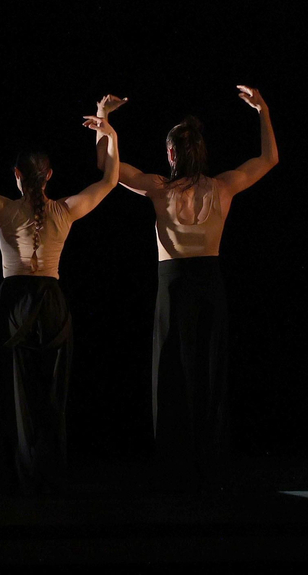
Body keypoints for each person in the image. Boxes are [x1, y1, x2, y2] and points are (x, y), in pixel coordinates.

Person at [95, 86, 278, 490]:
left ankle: (175, 462)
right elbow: (269, 159)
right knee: (208, 372)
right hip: (209, 284)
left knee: (172, 373)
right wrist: (262, 110)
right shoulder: (223, 187)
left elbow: (109, 170)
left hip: (174, 287)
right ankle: (209, 461)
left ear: (172, 154)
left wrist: (106, 127)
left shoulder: (160, 188)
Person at [0, 105, 120, 494]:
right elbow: (110, 181)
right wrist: (110, 134)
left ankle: (15, 472)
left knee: (14, 389)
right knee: (50, 391)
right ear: (48, 175)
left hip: (14, 302)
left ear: (17, 175)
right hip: (51, 301)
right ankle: (46, 473)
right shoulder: (64, 211)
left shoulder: (4, 210)